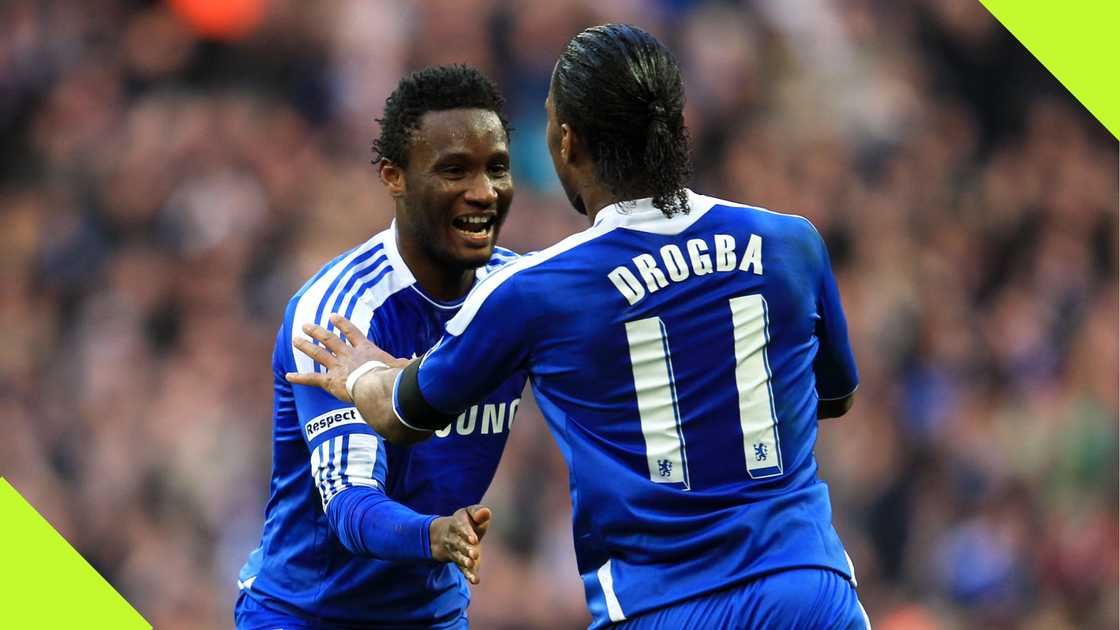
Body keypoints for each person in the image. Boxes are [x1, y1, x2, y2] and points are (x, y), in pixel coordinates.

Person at [290, 25, 867, 629]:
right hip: (811, 590)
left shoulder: (537, 290)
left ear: (567, 142)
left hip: (664, 606)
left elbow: (401, 415)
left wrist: (361, 374)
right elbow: (835, 394)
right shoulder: (792, 243)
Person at [236, 65, 527, 630]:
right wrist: (435, 535)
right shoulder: (336, 315)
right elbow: (349, 509)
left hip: (431, 615)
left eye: (496, 168)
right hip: (307, 614)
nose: (483, 192)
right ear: (393, 176)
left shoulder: (516, 297)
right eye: (454, 170)